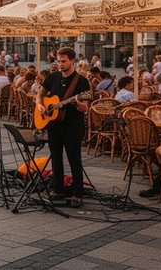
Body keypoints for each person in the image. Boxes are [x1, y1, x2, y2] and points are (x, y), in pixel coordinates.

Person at [36, 47, 90, 206]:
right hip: (54, 125)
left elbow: (85, 107)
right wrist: (39, 104)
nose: (60, 64)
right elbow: (40, 93)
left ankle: (77, 194)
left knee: (74, 160)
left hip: (73, 126)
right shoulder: (52, 77)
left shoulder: (81, 81)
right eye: (59, 61)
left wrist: (77, 103)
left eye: (64, 61)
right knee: (56, 159)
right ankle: (57, 190)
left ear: (72, 61)